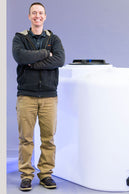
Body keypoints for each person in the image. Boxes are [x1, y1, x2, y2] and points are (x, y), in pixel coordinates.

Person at [12, 2, 65, 191]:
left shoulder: (54, 39)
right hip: (26, 96)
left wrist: (33, 63)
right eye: (34, 13)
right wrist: (44, 54)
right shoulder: (20, 38)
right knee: (25, 139)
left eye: (40, 13)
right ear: (29, 16)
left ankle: (45, 175)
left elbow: (59, 60)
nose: (37, 16)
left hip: (49, 97)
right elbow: (20, 57)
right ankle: (26, 176)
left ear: (45, 16)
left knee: (48, 138)